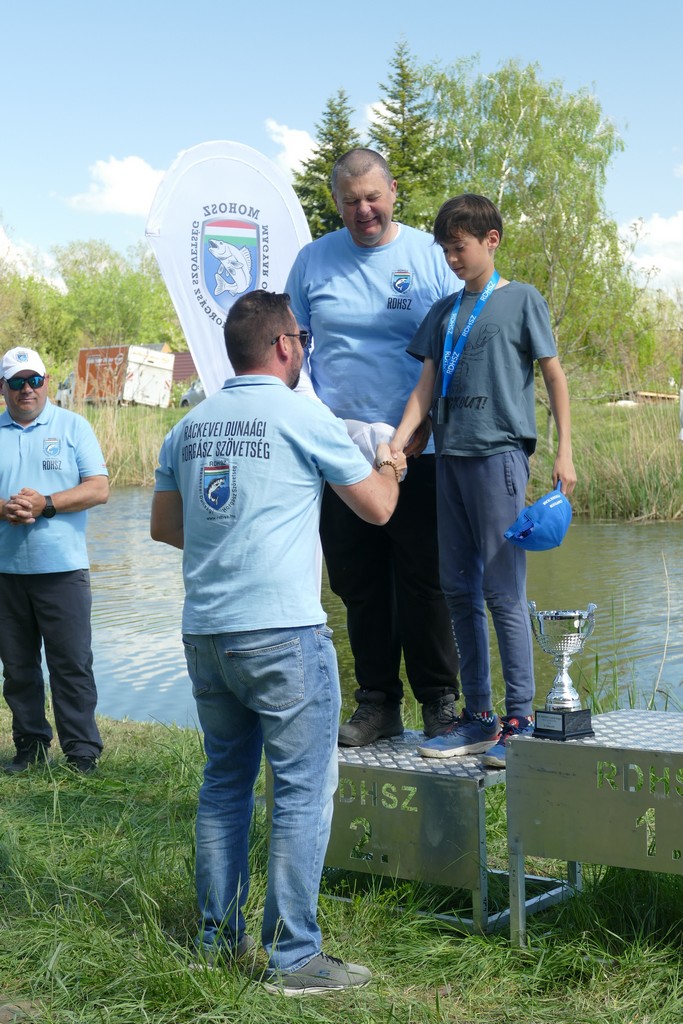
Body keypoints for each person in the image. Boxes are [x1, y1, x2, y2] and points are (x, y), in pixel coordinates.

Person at [150, 291, 406, 995]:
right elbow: (378, 509)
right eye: (302, 340)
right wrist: (390, 462)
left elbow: (166, 527)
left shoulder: (188, 426)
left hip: (207, 633)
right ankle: (294, 958)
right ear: (285, 345)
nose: (303, 350)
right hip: (283, 634)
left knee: (224, 785)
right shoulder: (303, 415)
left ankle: (217, 941)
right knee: (300, 792)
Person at [391, 193, 577, 767]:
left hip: (499, 457)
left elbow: (554, 377)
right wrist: (399, 441)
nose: (452, 259)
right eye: (445, 250)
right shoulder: (444, 311)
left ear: (491, 241)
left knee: (502, 591)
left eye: (460, 247)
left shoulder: (521, 299)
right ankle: (478, 716)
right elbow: (425, 386)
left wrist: (565, 451)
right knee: (457, 590)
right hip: (448, 459)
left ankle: (519, 718)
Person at [285, 148, 460, 747]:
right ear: (336, 202)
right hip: (341, 455)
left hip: (420, 450)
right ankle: (378, 704)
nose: (363, 210)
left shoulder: (431, 258)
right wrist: (313, 426)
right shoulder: (313, 261)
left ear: (393, 193)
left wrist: (425, 426)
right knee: (358, 583)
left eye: (372, 197)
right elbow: (291, 350)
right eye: (350, 201)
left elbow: (458, 346)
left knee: (425, 581)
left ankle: (440, 702)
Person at [0, 346, 109, 774]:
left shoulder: (73, 426)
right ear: (3, 387)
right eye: (16, 382)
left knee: (72, 665)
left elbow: (99, 488)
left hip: (63, 570)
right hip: (6, 572)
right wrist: (4, 509)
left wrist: (45, 503)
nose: (26, 389)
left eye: (34, 380)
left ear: (46, 382)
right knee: (17, 668)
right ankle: (30, 747)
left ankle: (82, 753)